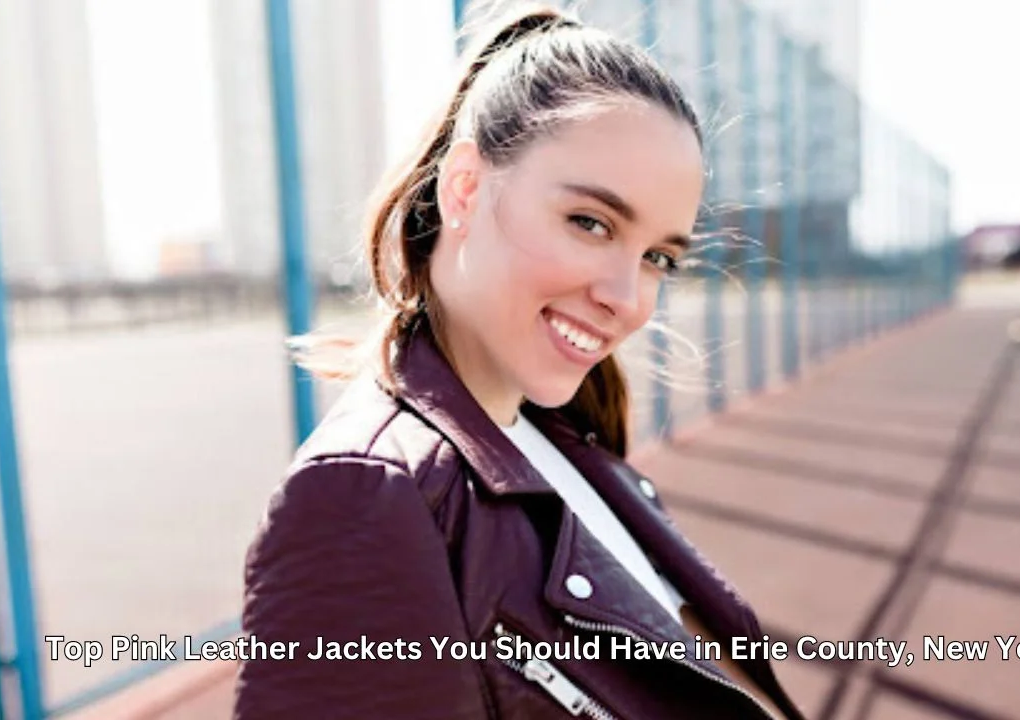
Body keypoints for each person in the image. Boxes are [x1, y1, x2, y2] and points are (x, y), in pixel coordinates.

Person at [234, 5, 805, 720]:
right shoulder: (366, 496)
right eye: (590, 223)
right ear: (464, 188)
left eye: (658, 257)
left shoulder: (556, 435)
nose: (627, 300)